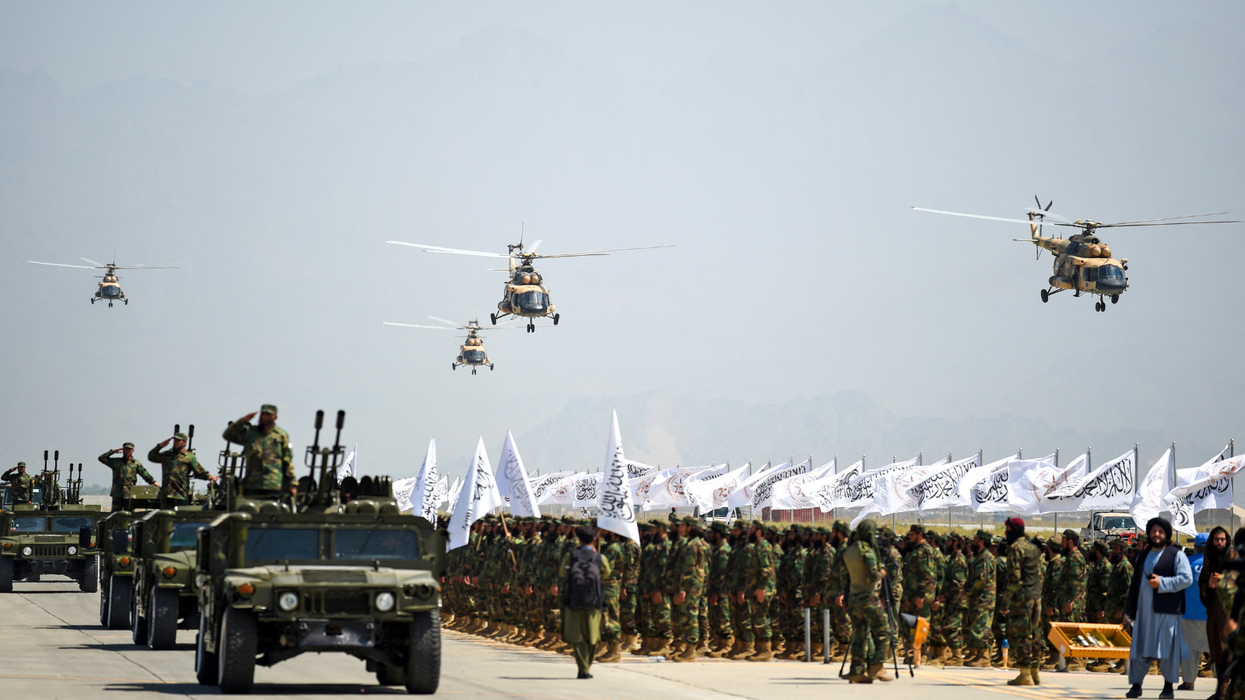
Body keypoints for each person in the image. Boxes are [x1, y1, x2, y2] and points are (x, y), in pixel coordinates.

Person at [1125, 517, 1194, 700]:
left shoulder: (1176, 554)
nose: (1157, 534)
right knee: (1139, 651)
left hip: (1167, 614)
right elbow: (1135, 584)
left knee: (1168, 651)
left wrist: (1162, 583)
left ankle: (1168, 687)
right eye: (1154, 531)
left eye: (1160, 532)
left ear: (1166, 534)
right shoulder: (1143, 555)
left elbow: (1187, 578)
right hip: (1144, 613)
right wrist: (1129, 609)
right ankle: (1136, 685)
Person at [838, 519, 895, 683]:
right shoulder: (867, 551)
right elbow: (872, 575)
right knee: (884, 631)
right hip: (868, 596)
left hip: (854, 597)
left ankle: (856, 670)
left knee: (859, 635)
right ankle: (876, 665)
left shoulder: (849, 550)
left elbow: (845, 575)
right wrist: (882, 573)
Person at [555, 525, 611, 679]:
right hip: (593, 601)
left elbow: (562, 573)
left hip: (573, 599)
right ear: (594, 539)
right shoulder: (600, 558)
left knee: (577, 636)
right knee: (593, 637)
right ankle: (587, 665)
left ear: (578, 540)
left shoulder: (571, 556)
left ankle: (583, 668)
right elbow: (607, 574)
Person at [1000, 516, 1044, 686]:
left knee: (1022, 635)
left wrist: (1005, 601)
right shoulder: (1033, 548)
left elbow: (1014, 577)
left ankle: (1025, 675)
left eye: (1008, 530)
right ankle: (1035, 672)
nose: (1006, 533)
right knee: (1035, 634)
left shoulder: (1016, 548)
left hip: (1022, 599)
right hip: (1035, 597)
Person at [222, 404, 295, 497]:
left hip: (274, 486)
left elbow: (287, 460)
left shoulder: (281, 435)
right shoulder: (250, 434)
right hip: (252, 486)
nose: (264, 417)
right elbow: (227, 435)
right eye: (263, 414)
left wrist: (292, 483)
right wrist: (243, 421)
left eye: (268, 415)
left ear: (275, 417)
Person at [147, 432, 217, 508]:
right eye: (175, 440)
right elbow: (151, 457)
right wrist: (160, 446)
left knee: (180, 517)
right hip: (166, 496)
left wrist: (209, 477)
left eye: (178, 441)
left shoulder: (189, 457)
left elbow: (199, 471)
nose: (175, 443)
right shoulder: (167, 455)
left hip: (180, 495)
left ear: (184, 443)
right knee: (165, 517)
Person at [1181, 532, 1210, 690]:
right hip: (1211, 615)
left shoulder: (1186, 564)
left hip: (1189, 613)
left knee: (1190, 649)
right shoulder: (1216, 565)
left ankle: (1189, 682)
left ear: (1195, 547)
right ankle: (1222, 685)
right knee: (1216, 650)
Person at [97, 442, 158, 511]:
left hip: (130, 493)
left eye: (129, 449)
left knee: (129, 515)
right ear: (123, 450)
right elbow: (101, 458)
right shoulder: (116, 462)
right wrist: (113, 451)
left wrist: (153, 482)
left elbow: (144, 474)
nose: (127, 451)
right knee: (115, 516)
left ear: (132, 450)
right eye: (126, 449)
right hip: (117, 493)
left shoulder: (135, 463)